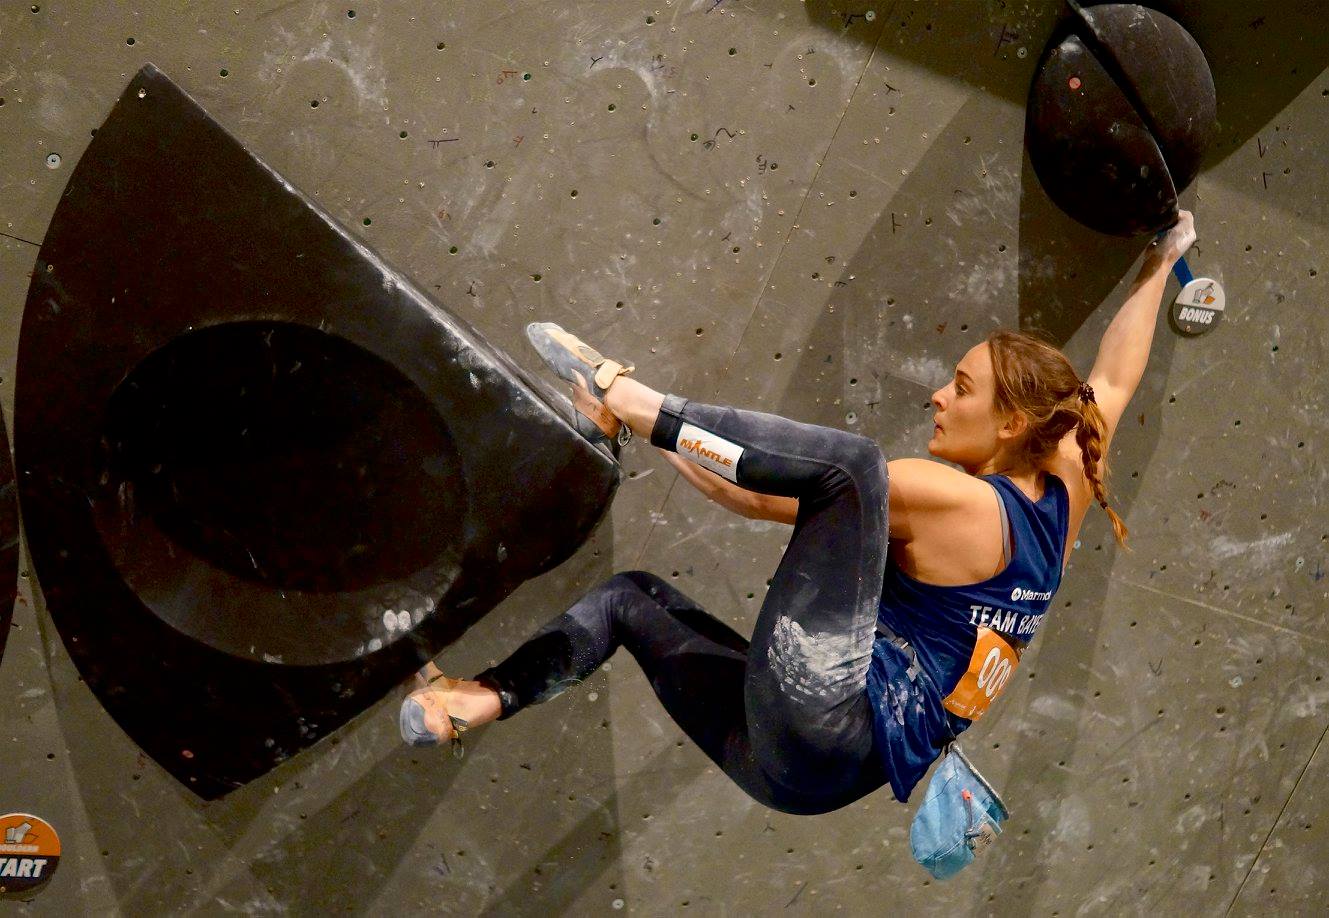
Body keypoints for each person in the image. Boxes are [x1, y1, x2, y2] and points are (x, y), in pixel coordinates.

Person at [399, 212, 1197, 815]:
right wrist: (1159, 263)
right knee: (627, 602)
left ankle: (625, 393)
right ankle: (475, 701)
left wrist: (648, 419)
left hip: (826, 711)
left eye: (960, 387)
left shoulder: (952, 498)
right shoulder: (1063, 490)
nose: (936, 395)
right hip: (808, 780)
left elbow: (751, 494)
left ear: (1011, 424)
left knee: (852, 470)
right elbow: (1114, 379)